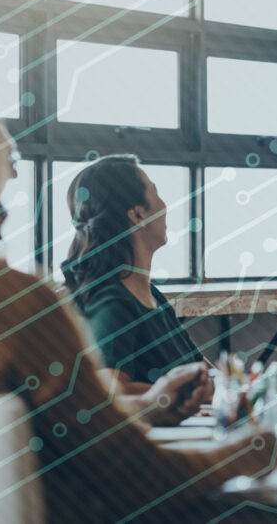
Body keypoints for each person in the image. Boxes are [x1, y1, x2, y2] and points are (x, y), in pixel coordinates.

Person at [0, 54, 275, 523]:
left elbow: (52, 433)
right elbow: (145, 483)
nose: (7, 145)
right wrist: (256, 448)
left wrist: (147, 408)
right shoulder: (12, 308)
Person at [61, 155, 213, 409]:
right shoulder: (112, 302)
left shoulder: (151, 295)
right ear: (138, 214)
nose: (165, 205)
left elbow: (202, 370)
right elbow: (107, 392)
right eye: (156, 193)